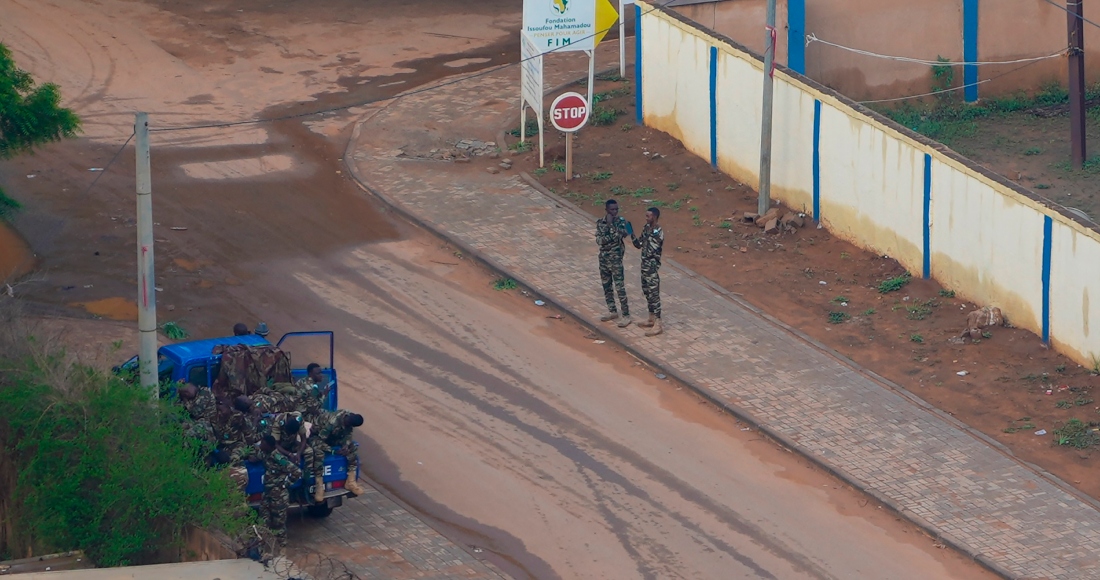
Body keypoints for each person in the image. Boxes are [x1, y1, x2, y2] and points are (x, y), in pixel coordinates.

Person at [253, 434, 301, 552]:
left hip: (279, 496)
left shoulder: (279, 458)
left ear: (268, 445)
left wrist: (286, 484)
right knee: (263, 520)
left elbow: (297, 471)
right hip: (267, 494)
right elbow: (255, 456)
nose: (261, 445)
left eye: (263, 443)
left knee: (278, 523)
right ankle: (263, 546)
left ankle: (281, 549)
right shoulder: (265, 454)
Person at [304, 410, 366, 501]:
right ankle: (319, 486)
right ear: (347, 421)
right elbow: (320, 441)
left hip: (331, 437)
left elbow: (348, 435)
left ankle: (351, 481)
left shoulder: (349, 419)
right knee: (319, 452)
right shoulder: (332, 422)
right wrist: (332, 451)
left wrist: (346, 445)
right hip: (316, 436)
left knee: (353, 447)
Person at [595, 199, 634, 328]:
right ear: (606, 210)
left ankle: (626, 315)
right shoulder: (600, 223)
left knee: (620, 288)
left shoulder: (621, 221)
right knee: (606, 286)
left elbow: (626, 233)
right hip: (604, 259)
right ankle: (612, 311)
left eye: (616, 209)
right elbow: (599, 240)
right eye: (612, 209)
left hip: (616, 260)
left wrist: (611, 226)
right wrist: (613, 233)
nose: (615, 211)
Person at [631, 207, 665, 337]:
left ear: (655, 217)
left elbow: (651, 250)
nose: (646, 218)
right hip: (644, 266)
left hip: (652, 267)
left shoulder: (658, 232)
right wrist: (631, 233)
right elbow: (639, 244)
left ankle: (658, 323)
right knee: (647, 292)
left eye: (648, 216)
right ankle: (651, 318)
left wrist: (645, 241)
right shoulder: (646, 228)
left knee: (654, 294)